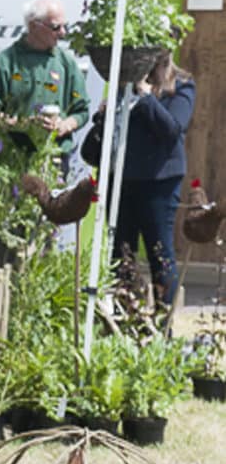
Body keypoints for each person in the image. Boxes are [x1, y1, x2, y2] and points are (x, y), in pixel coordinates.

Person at [81, 52, 195, 310]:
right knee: (121, 253)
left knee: (160, 253)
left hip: (158, 183)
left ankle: (163, 325)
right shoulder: (124, 86)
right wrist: (105, 113)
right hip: (121, 180)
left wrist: (145, 97)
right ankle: (125, 316)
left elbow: (172, 129)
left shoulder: (182, 85)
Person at [0, 0, 89, 160]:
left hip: (56, 156)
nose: (63, 33)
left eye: (65, 26)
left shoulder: (66, 64)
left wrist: (64, 125)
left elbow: (82, 111)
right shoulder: (5, 63)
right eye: (56, 27)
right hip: (15, 156)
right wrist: (21, 124)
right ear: (34, 26)